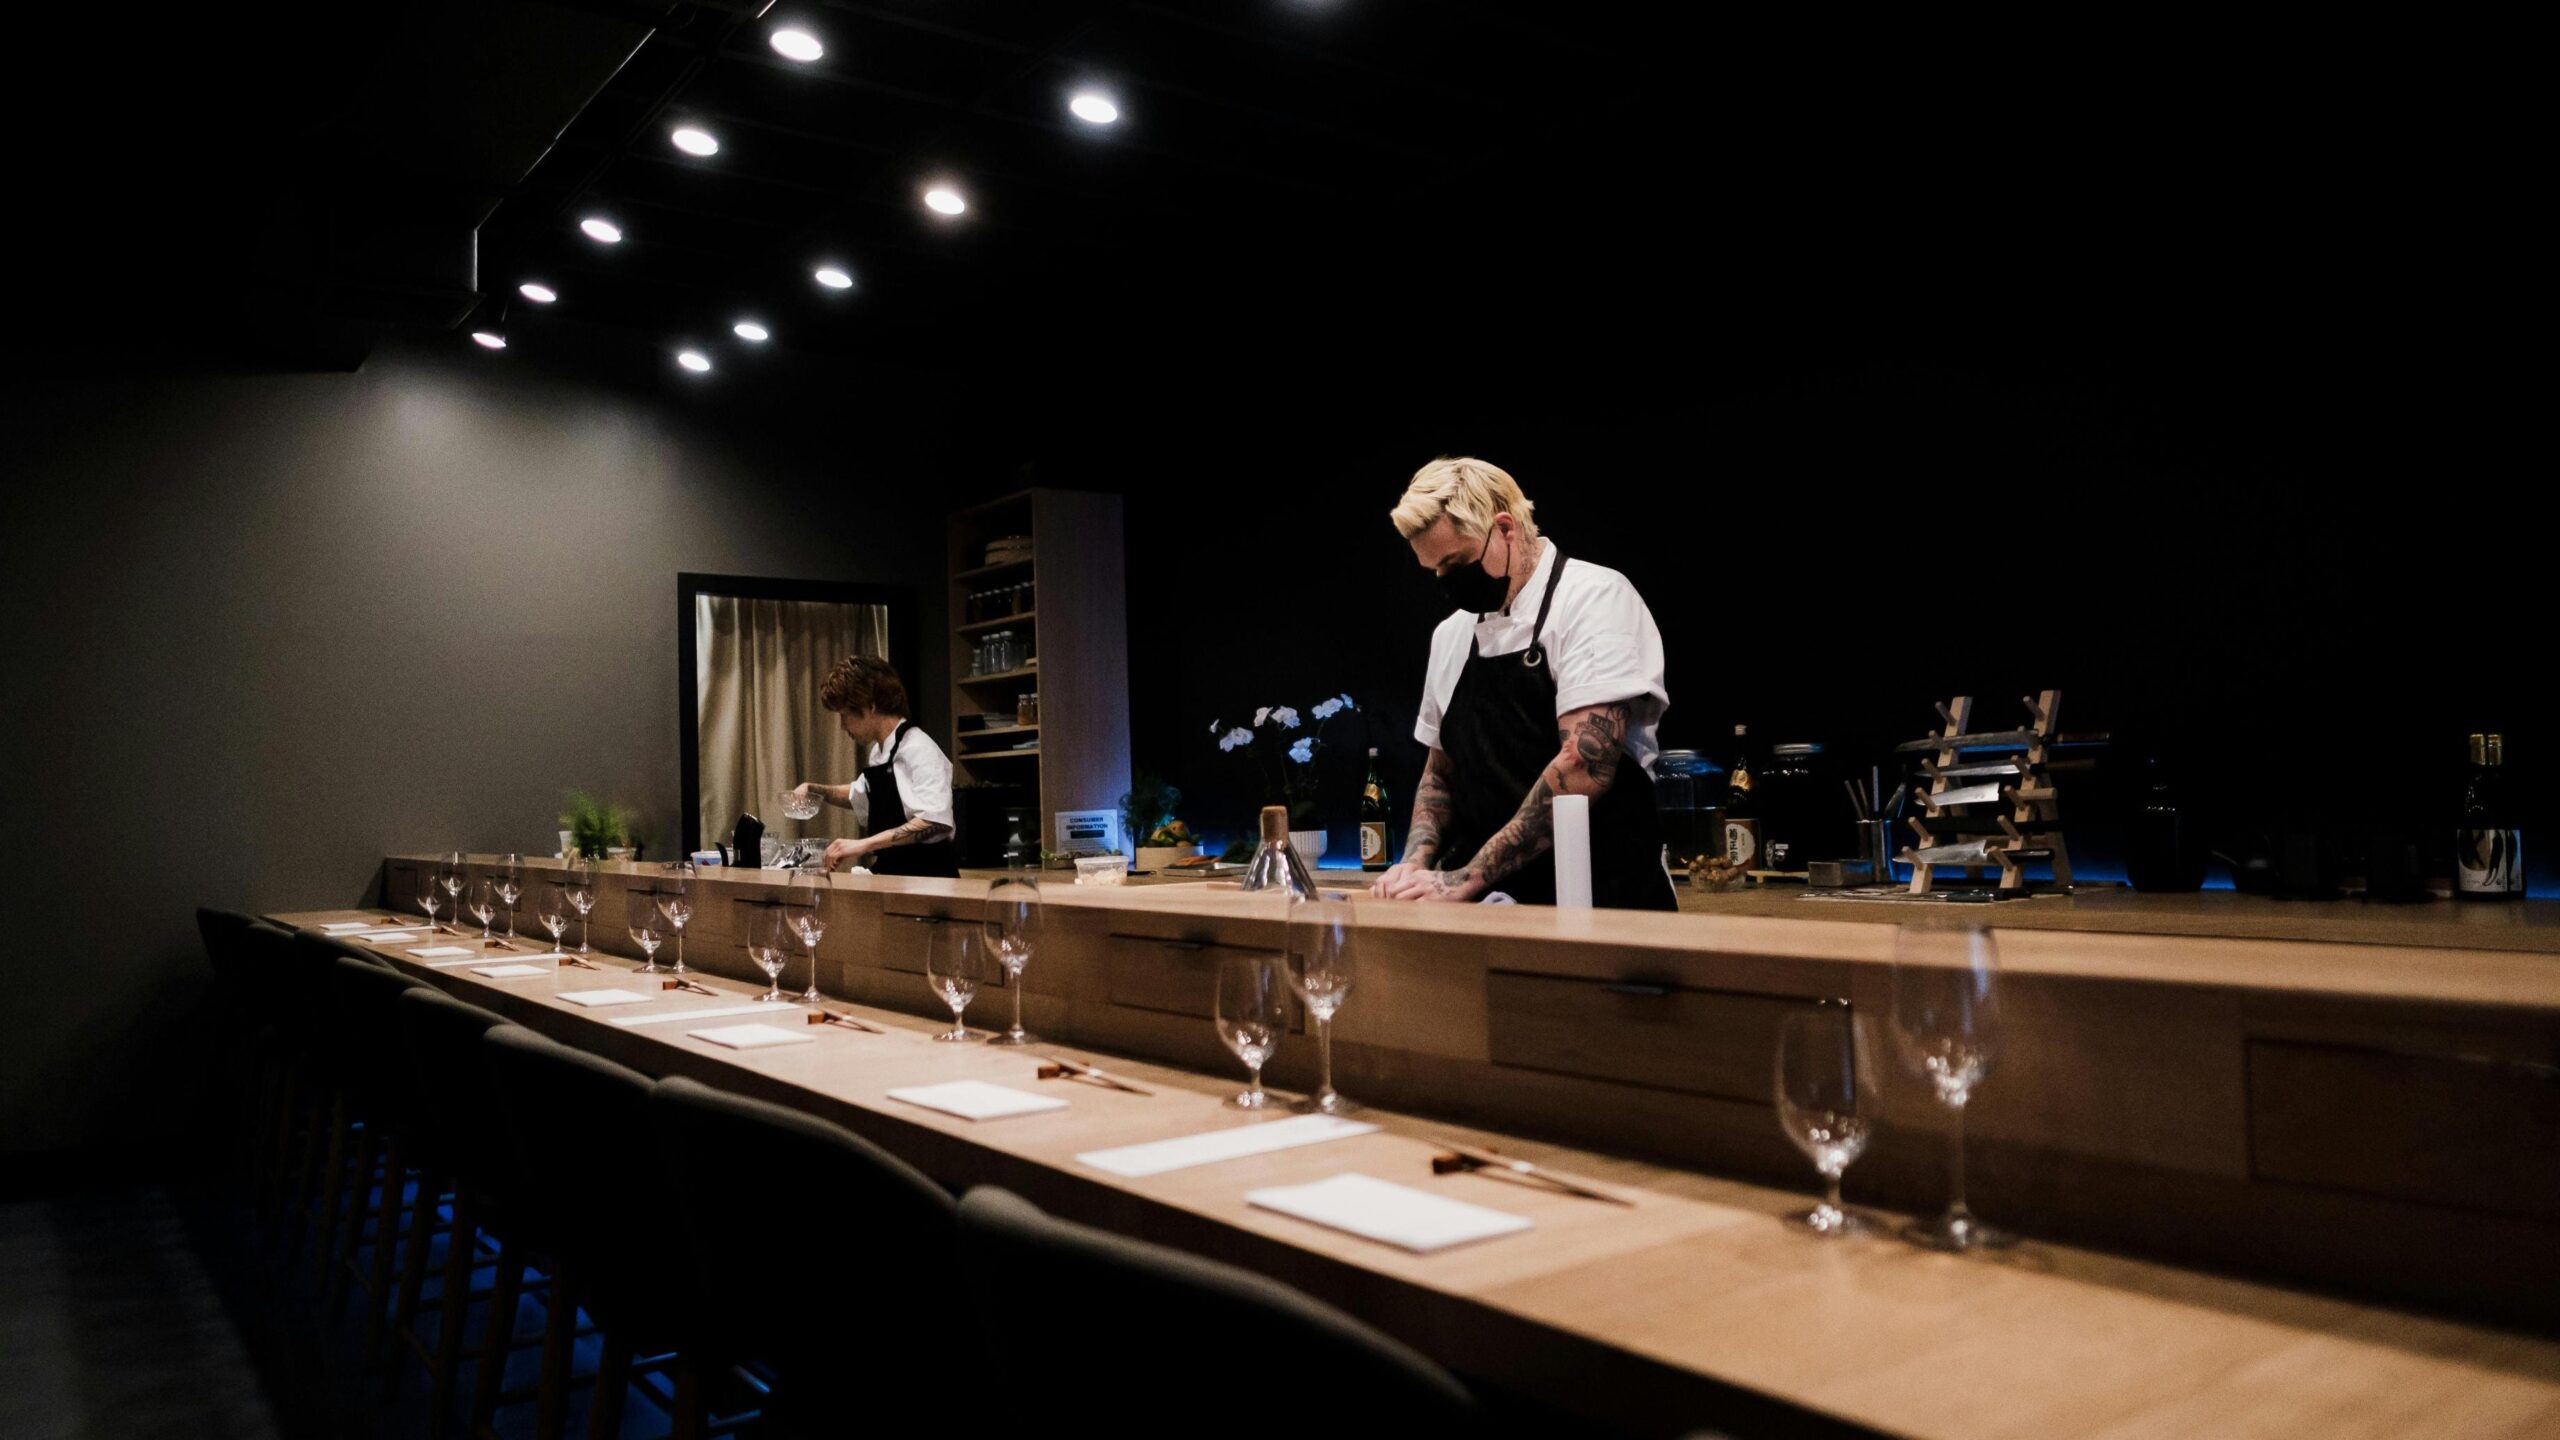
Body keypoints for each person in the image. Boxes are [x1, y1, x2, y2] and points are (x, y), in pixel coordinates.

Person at [1371, 457, 1676, 910]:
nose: (1446, 582)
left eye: (1455, 562)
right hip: (1491, 903)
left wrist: (1466, 877)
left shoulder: (1595, 599)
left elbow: (1583, 765)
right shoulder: (1451, 634)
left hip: (1602, 897)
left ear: (1506, 529)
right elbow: (1440, 772)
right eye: (1434, 570)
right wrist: (1416, 863)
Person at [792, 655, 959, 878]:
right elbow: (859, 794)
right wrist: (815, 789)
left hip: (928, 879)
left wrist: (862, 845)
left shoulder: (918, 748)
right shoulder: (880, 752)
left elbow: (935, 822)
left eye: (845, 715)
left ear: (870, 706)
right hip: (894, 876)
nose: (843, 726)